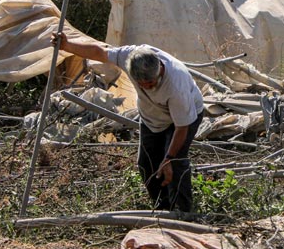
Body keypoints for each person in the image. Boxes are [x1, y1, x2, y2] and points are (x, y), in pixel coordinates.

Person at [52, 32, 204, 214]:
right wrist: (66, 45)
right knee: (146, 164)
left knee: (175, 164)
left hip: (183, 119)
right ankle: (163, 210)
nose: (145, 86)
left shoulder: (176, 85)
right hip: (152, 117)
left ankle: (183, 211)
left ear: (160, 70)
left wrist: (169, 158)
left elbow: (182, 127)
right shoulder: (129, 56)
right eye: (141, 84)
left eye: (149, 82)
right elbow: (99, 52)